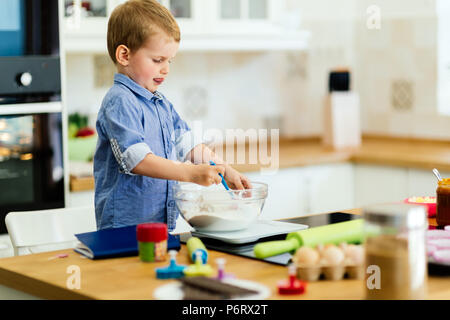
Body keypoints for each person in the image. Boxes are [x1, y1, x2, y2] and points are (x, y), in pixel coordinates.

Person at [94, 0, 251, 231]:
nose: (166, 68)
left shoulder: (161, 103)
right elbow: (135, 159)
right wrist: (190, 173)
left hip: (159, 226)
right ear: (124, 55)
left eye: (169, 61)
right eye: (158, 60)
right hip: (124, 228)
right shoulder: (120, 100)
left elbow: (187, 143)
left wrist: (225, 169)